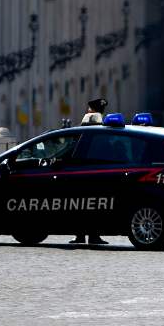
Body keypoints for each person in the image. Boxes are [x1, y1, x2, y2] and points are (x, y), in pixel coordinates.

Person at [70, 98, 109, 245]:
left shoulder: (85, 130)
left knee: (81, 205)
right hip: (96, 174)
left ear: (91, 110)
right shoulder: (102, 131)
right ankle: (92, 235)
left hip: (82, 174)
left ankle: (81, 235)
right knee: (94, 206)